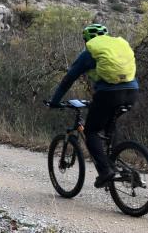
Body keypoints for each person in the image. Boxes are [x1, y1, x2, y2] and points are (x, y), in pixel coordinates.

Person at [47, 24, 139, 188]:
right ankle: (116, 162)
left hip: (109, 94)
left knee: (91, 131)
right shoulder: (117, 48)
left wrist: (55, 101)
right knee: (110, 124)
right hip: (132, 91)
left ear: (88, 40)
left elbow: (68, 79)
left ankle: (105, 171)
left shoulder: (89, 54)